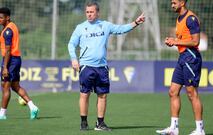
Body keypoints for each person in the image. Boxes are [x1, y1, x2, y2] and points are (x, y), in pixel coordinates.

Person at [68, 1, 145, 131]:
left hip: (102, 67)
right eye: (87, 12)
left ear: (98, 13)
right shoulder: (80, 27)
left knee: (102, 95)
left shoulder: (105, 25)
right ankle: (83, 122)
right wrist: (74, 59)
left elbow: (121, 29)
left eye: (92, 12)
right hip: (86, 66)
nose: (89, 14)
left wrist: (136, 22)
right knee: (84, 94)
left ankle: (100, 123)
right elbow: (71, 44)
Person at [156, 0, 205, 135]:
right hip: (182, 57)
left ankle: (200, 130)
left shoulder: (191, 19)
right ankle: (174, 128)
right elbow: (184, 38)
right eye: (171, 2)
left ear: (182, 2)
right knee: (173, 91)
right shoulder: (179, 18)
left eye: (174, 2)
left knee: (191, 94)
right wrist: (173, 40)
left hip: (191, 58)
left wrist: (176, 41)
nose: (172, 5)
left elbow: (196, 41)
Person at [0, 7, 39, 120]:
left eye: (1, 18)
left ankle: (2, 114)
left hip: (10, 60)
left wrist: (5, 67)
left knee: (5, 86)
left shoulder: (8, 31)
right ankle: (33, 107)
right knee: (15, 86)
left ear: (7, 17)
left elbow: (7, 50)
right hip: (15, 59)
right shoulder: (12, 26)